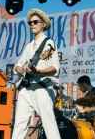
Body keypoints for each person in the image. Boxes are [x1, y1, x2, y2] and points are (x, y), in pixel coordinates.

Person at [12, 9, 61, 139]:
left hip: (42, 88)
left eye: (35, 22)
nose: (32, 24)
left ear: (43, 25)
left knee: (49, 125)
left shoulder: (49, 43)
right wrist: (18, 68)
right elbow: (19, 63)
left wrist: (38, 71)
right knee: (19, 125)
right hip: (26, 89)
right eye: (30, 22)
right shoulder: (28, 46)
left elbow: (54, 68)